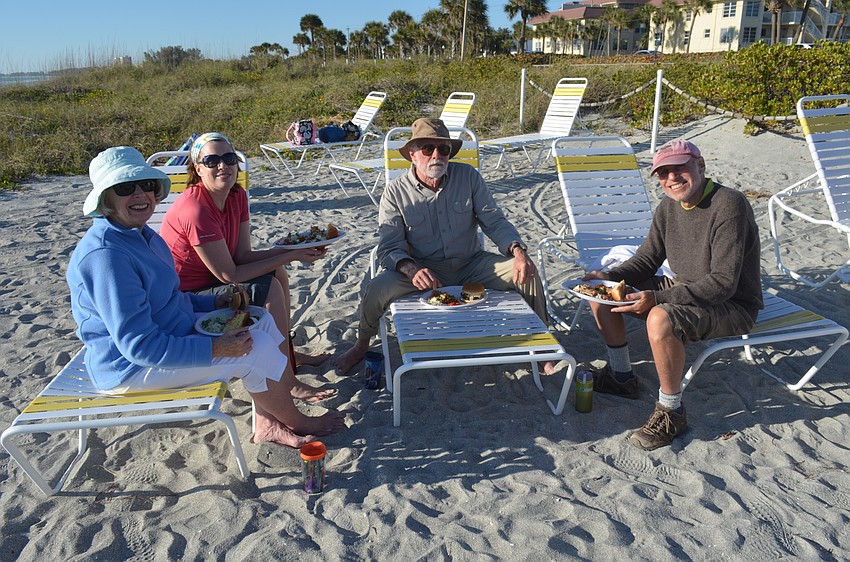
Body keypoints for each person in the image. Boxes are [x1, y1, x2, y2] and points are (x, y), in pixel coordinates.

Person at [67, 147, 346, 448]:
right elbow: (139, 346)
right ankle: (297, 420)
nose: (140, 194)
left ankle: (267, 423)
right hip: (128, 368)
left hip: (169, 333)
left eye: (146, 185)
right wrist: (214, 347)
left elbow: (171, 299)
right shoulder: (107, 257)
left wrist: (215, 302)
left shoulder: (143, 236)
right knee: (256, 349)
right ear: (105, 199)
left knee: (261, 321)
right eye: (124, 188)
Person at [333, 118, 553, 375]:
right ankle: (361, 345)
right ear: (413, 155)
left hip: (471, 264)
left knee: (525, 272)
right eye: (428, 148)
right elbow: (389, 246)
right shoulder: (395, 192)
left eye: (444, 149)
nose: (437, 155)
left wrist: (518, 252)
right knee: (378, 288)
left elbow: (494, 220)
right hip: (424, 271)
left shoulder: (468, 177)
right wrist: (410, 269)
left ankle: (540, 346)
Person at [583, 139, 763, 451]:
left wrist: (658, 298)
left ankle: (671, 411)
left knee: (659, 318)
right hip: (686, 286)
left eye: (679, 168)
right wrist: (609, 278)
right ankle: (621, 376)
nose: (672, 178)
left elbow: (722, 284)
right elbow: (647, 260)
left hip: (732, 304)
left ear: (701, 165)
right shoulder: (669, 207)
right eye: (663, 173)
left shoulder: (729, 204)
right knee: (601, 292)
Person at [159, 133, 332, 404]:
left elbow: (242, 255)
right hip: (189, 295)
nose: (222, 166)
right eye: (211, 160)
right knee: (271, 287)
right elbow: (229, 275)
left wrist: (294, 252)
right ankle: (289, 382)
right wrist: (290, 255)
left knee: (277, 273)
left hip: (217, 278)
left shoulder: (236, 195)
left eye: (229, 158)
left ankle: (287, 355)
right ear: (197, 168)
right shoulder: (196, 210)